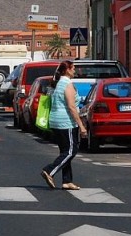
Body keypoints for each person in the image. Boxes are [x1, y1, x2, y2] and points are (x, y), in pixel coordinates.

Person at [41, 60, 87, 190]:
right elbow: (72, 107)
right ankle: (49, 170)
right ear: (67, 70)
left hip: (56, 121)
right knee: (71, 150)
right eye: (73, 68)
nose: (75, 71)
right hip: (66, 122)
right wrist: (81, 126)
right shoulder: (67, 84)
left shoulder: (59, 84)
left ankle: (67, 181)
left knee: (64, 151)